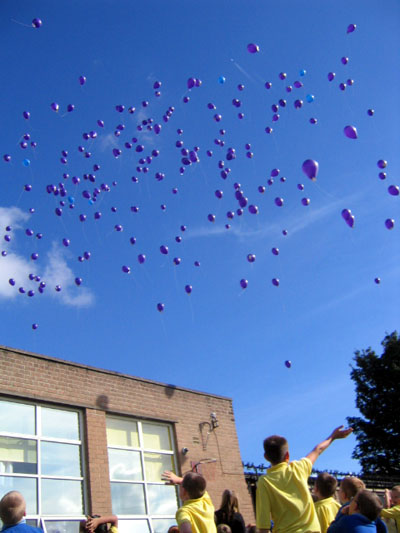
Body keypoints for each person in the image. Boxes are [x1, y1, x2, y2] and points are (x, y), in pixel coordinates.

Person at [256, 425, 353, 533]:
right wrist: (333, 436)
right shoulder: (298, 468)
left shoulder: (264, 482)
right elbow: (318, 450)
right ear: (287, 455)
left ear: (266, 457)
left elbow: (263, 527)